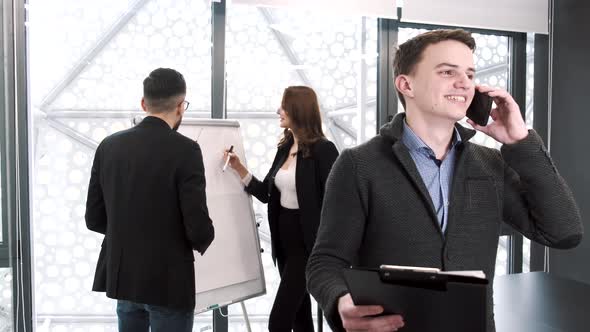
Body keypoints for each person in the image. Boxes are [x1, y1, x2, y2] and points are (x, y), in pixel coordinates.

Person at [306, 29, 583, 332]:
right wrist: (339, 301)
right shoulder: (359, 165)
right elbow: (325, 262)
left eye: (469, 73)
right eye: (447, 71)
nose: (465, 82)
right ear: (406, 84)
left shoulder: (490, 165)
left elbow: (563, 232)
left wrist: (520, 142)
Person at [85, 68, 215, 332]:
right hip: (168, 279)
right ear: (181, 106)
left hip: (124, 279)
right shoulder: (186, 150)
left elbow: (94, 218)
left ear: (144, 103)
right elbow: (196, 223)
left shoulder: (108, 146)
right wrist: (204, 238)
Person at [224, 86, 339, 332]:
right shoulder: (285, 148)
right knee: (300, 318)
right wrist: (239, 168)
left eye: (284, 106)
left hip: (308, 249)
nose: (279, 111)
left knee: (278, 322)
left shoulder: (323, 150)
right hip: (285, 247)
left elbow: (337, 201)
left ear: (298, 109)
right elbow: (266, 193)